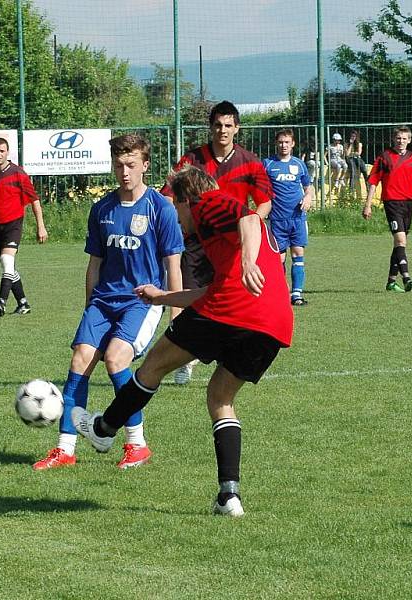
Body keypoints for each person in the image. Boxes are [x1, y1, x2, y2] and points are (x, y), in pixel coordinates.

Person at [72, 164, 293, 517]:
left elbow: (250, 219)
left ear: (189, 199)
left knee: (153, 366)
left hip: (233, 309)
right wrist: (161, 298)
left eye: (175, 206)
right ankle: (229, 496)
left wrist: (249, 262)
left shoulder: (209, 202)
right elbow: (212, 291)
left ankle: (104, 428)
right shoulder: (217, 238)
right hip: (273, 322)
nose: (175, 215)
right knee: (220, 396)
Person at [33, 134, 183, 471]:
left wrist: (177, 314)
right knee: (79, 361)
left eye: (131, 165)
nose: (124, 172)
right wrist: (90, 309)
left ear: (145, 165)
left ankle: (137, 444)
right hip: (103, 301)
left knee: (116, 359)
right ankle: (65, 449)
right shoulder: (102, 209)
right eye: (118, 166)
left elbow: (173, 265)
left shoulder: (161, 209)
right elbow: (95, 265)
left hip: (142, 301)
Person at [160, 100, 274, 384]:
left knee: (230, 298)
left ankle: (227, 354)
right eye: (217, 125)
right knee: (188, 292)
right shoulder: (191, 161)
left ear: (237, 128)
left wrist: (249, 234)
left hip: (233, 246)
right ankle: (184, 356)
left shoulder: (251, 162)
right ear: (210, 128)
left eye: (227, 125)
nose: (222, 130)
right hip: (196, 242)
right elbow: (167, 195)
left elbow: (264, 205)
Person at [0, 137, 48, 316]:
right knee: (9, 266)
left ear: (8, 152)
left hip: (13, 224)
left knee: (7, 261)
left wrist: (40, 226)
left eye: (2, 151)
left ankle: (1, 301)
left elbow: (34, 200)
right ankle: (23, 303)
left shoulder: (18, 174)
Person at [362, 126, 412, 293]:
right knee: (400, 241)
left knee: (400, 244)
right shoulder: (384, 157)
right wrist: (368, 204)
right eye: (398, 138)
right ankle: (406, 277)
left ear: (409, 140)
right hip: (391, 203)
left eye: (404, 138)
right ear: (394, 139)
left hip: (408, 204)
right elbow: (373, 182)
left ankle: (391, 281)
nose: (401, 141)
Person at [262, 129, 314, 305]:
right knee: (279, 258)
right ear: (276, 144)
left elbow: (308, 187)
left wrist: (308, 198)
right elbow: (260, 188)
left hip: (297, 218)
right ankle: (280, 292)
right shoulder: (268, 164)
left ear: (292, 144)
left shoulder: (299, 164)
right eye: (281, 142)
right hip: (277, 218)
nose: (284, 145)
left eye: (287, 142)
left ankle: (297, 294)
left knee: (298, 253)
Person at [345, 130, 369, 196]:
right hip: (350, 159)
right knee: (353, 171)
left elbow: (359, 153)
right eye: (352, 136)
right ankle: (351, 190)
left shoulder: (359, 144)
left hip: (357, 158)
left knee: (364, 169)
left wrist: (353, 153)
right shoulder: (346, 144)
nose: (353, 137)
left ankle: (368, 187)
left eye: (354, 136)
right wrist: (351, 144)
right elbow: (347, 154)